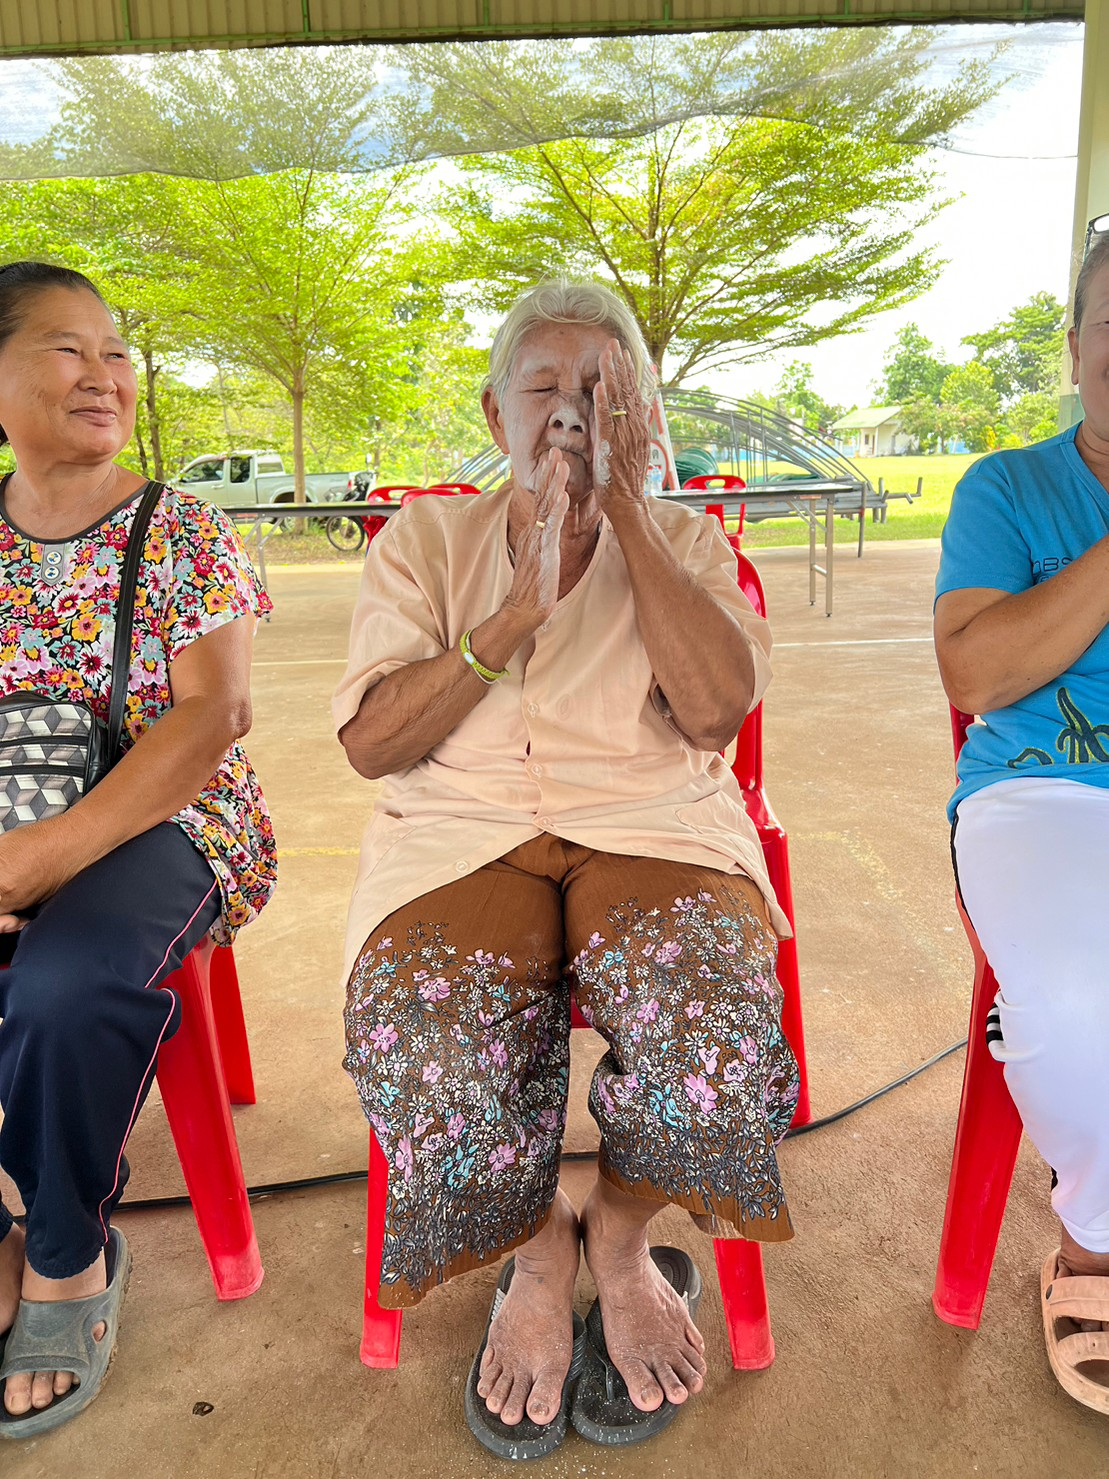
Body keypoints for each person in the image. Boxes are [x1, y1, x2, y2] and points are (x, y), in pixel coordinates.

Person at [335, 279, 798, 1457]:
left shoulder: (686, 538)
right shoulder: (425, 544)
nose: (570, 418)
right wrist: (505, 622)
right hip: (456, 826)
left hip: (651, 820)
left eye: (601, 393)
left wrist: (628, 521)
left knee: (717, 1038)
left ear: (639, 417)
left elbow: (712, 718)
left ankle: (624, 1234)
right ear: (495, 418)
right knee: (424, 1039)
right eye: (544, 389)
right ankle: (537, 1241)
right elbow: (371, 744)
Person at [0, 262, 276, 1437]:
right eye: (70, 348)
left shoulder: (181, 533)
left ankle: (65, 1254)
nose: (105, 373)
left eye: (115, 351)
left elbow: (209, 721)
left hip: (168, 819)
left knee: (63, 986)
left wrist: (36, 862)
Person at [934, 228, 1109, 1414]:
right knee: (1083, 995)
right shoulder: (1006, 488)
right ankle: (1094, 1242)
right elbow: (976, 674)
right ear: (1074, 350)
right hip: (1039, 793)